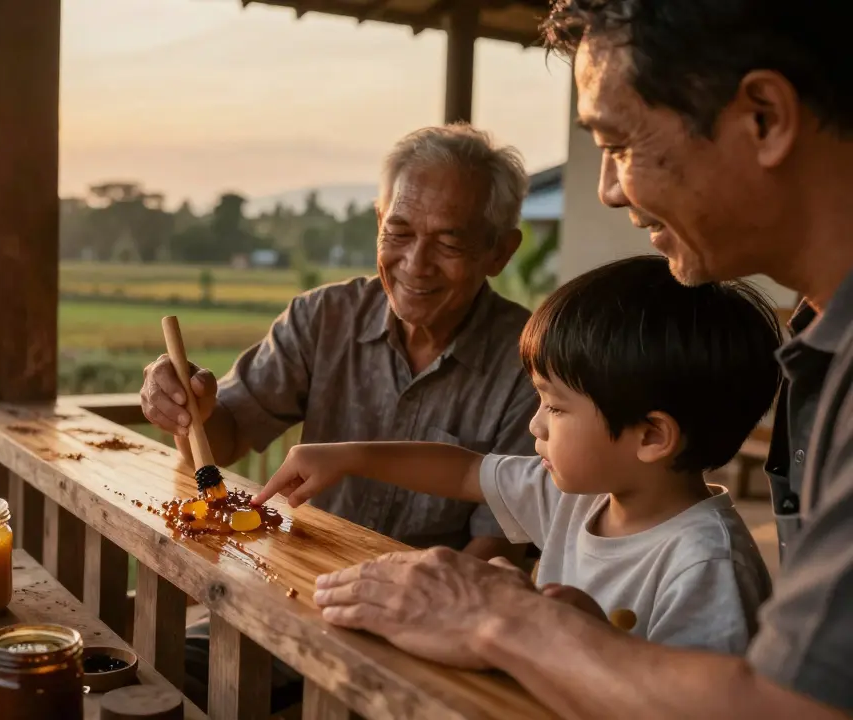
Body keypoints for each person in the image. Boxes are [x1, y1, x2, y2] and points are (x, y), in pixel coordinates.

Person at [309, 1, 853, 716]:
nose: (608, 188)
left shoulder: (706, 553)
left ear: (764, 118)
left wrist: (499, 617)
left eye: (618, 143)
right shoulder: (823, 350)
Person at [138, 124, 537, 712]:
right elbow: (222, 440)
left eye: (448, 244)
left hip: (419, 646)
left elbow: (491, 553)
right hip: (284, 600)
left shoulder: (530, 365)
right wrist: (186, 409)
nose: (415, 264)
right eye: (397, 232)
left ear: (500, 251)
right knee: (144, 676)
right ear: (378, 220)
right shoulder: (322, 317)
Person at [256, 255, 780, 653]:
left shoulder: (706, 566)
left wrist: (588, 639)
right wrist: (348, 456)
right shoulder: (577, 497)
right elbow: (464, 470)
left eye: (554, 406)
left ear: (650, 437)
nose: (535, 424)